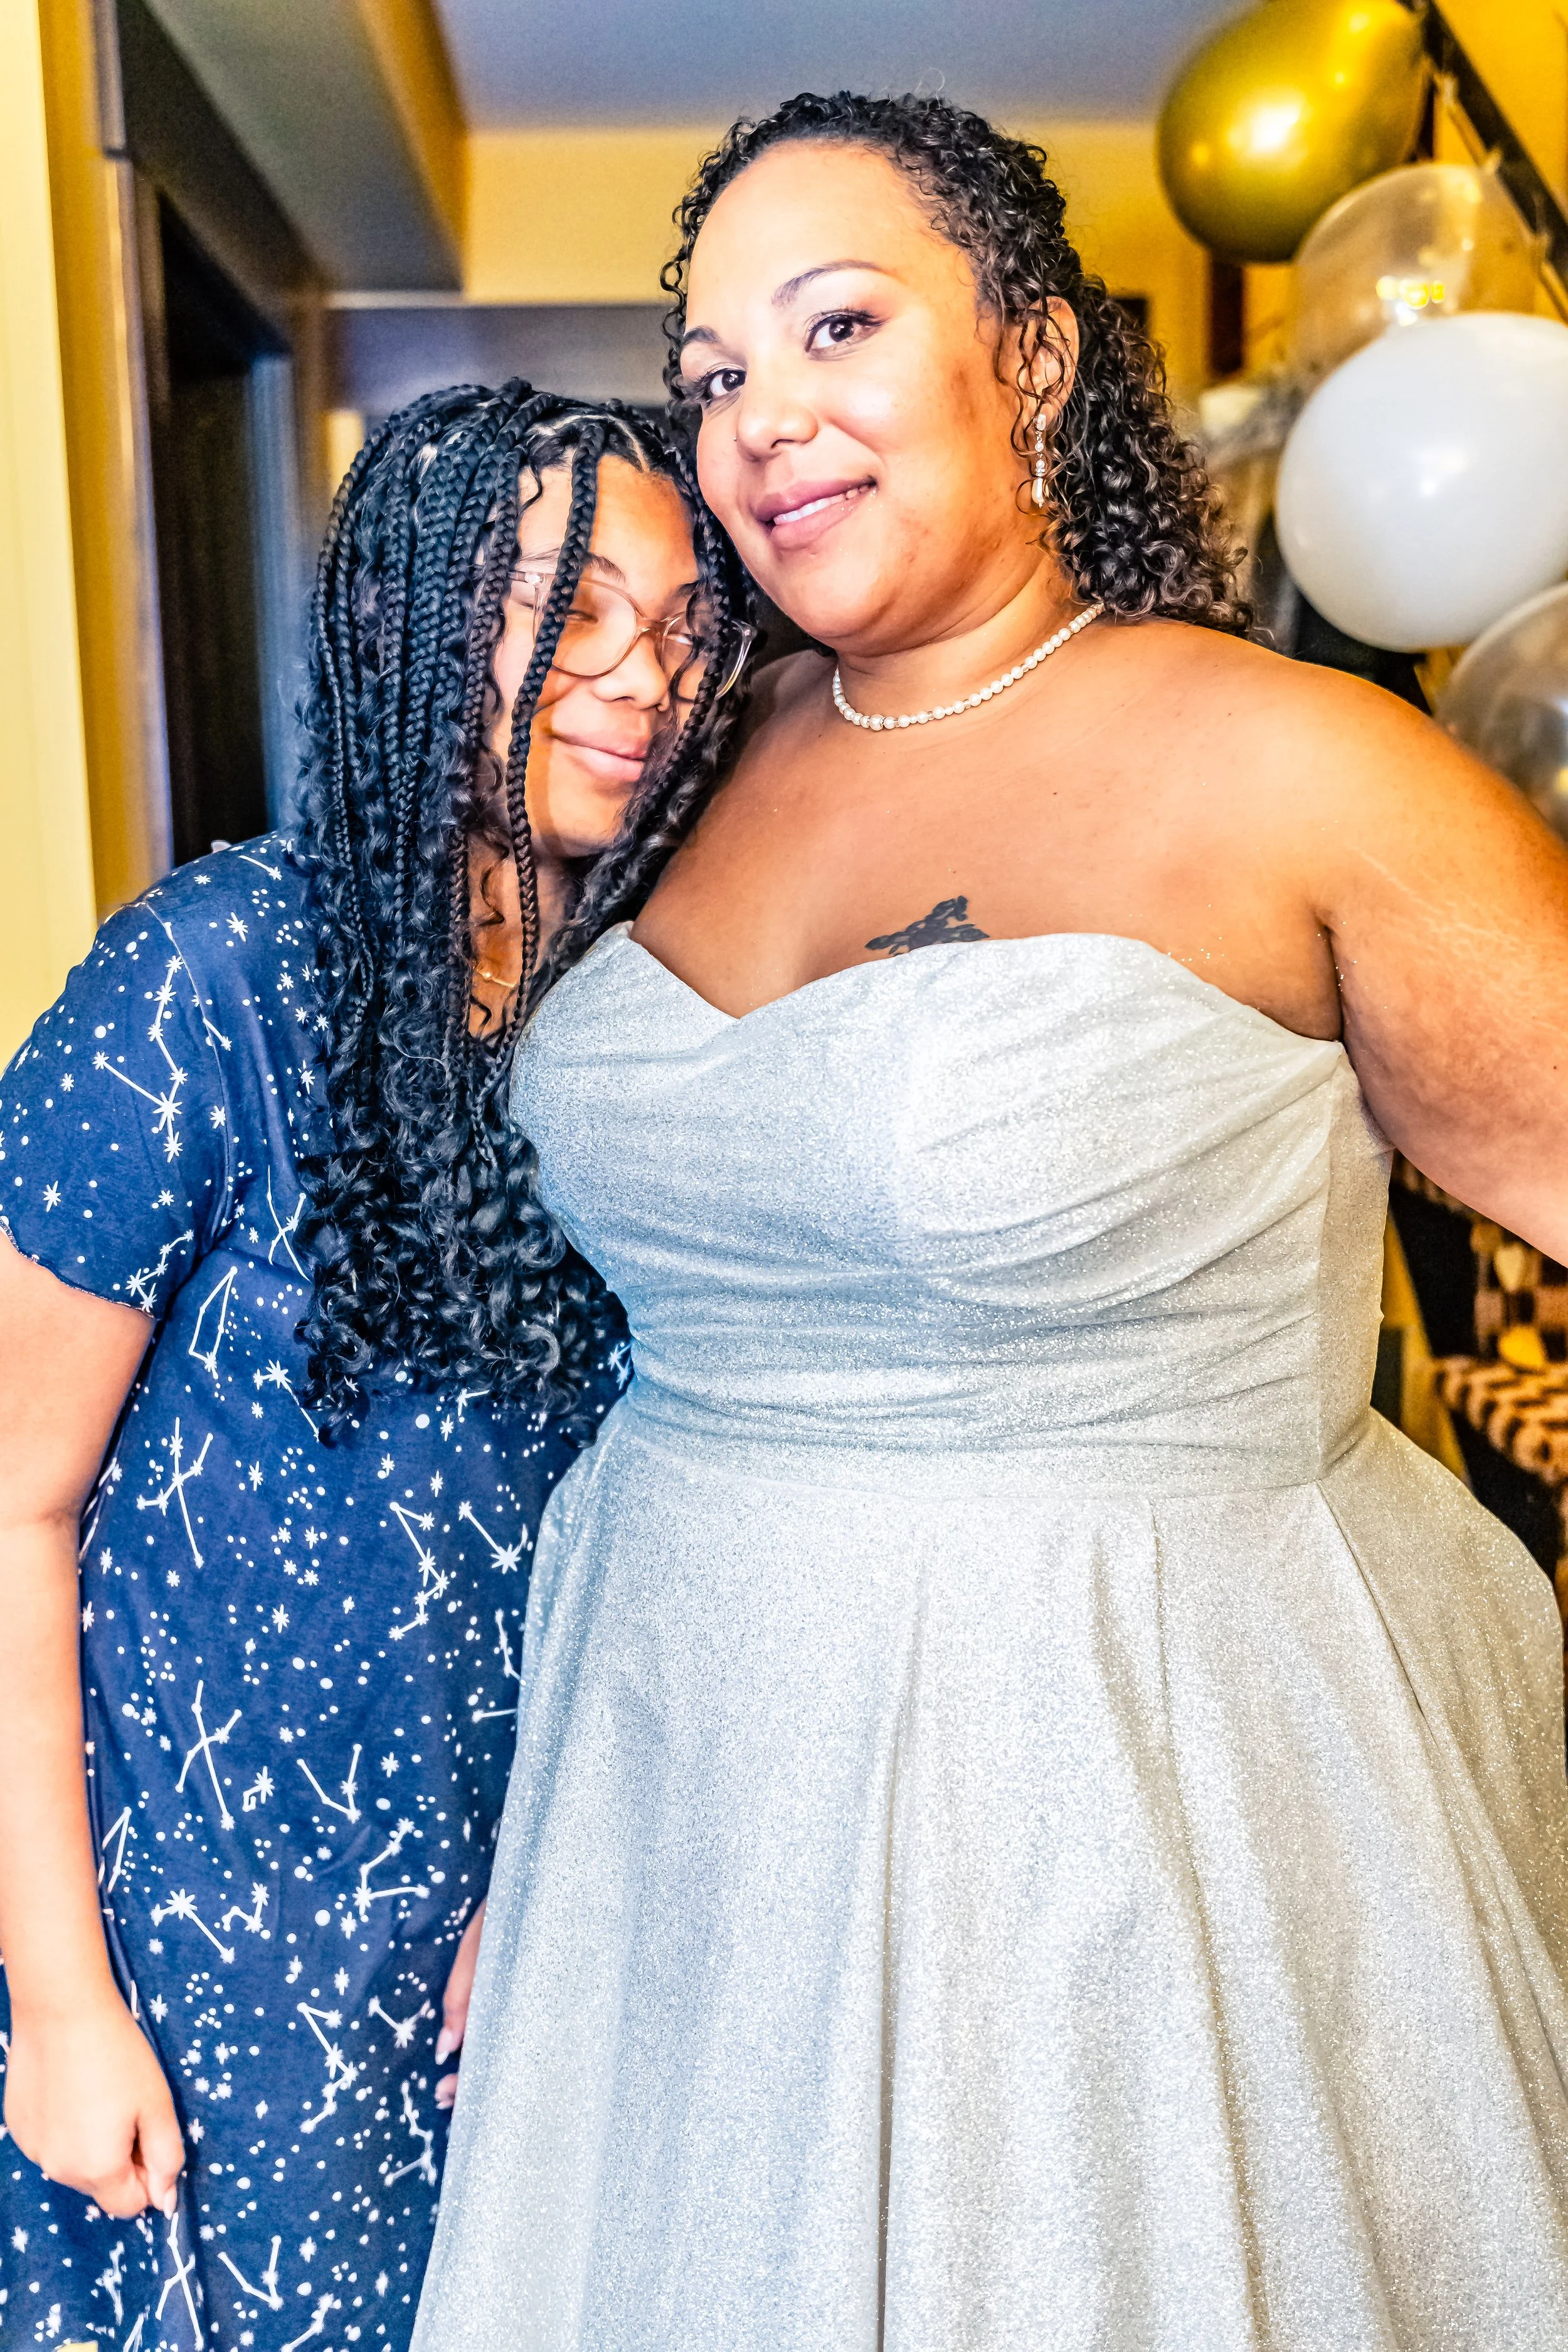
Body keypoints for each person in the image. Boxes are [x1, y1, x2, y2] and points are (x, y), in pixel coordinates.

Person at [412, 95, 1568, 2352]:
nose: (759, 421)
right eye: (717, 372)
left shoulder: (1303, 769)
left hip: (1121, 1785)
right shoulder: (683, 752)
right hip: (679, 1776)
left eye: (837, 323)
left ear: (1030, 356)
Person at [0, 381, 751, 2352]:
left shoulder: (648, 1026)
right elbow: (11, 1496)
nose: (633, 677)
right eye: (560, 605)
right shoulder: (216, 975)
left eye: (679, 626)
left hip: (518, 1927)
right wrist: (64, 1997)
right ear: (414, 616)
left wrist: (551, 1879)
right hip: (203, 1941)